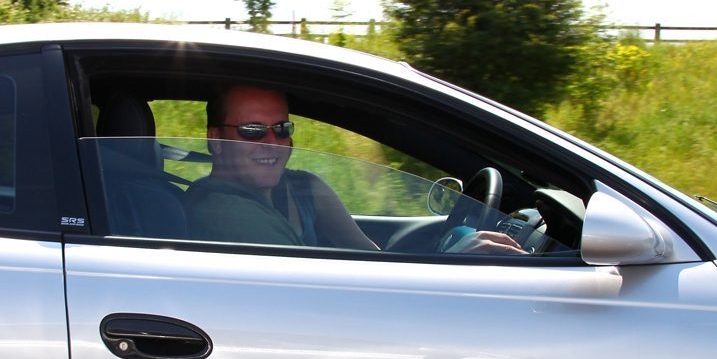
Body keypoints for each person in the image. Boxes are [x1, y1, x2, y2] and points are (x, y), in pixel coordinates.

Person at [185, 85, 525, 254]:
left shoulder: (304, 187)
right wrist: (458, 259)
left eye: (282, 129)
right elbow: (310, 294)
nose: (272, 143)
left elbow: (372, 260)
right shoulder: (225, 213)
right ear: (215, 139)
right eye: (252, 131)